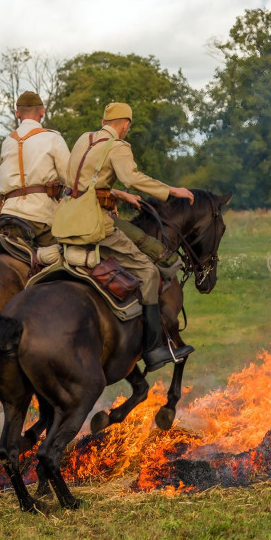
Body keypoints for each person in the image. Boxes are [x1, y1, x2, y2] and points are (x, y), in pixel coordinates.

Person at [61, 101, 195, 372]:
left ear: (102, 123)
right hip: (96, 223)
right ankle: (154, 349)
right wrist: (171, 191)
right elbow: (130, 178)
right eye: (127, 127)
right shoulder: (118, 146)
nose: (126, 131)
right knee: (148, 272)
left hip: (65, 221)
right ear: (125, 124)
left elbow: (77, 180)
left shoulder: (82, 140)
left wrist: (116, 195)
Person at [0, 90, 70, 246]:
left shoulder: (7, 141)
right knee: (70, 257)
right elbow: (72, 179)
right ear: (42, 112)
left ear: (17, 113)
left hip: (7, 216)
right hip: (41, 217)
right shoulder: (53, 137)